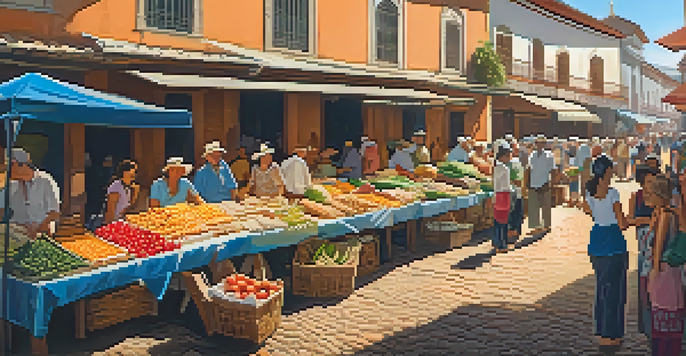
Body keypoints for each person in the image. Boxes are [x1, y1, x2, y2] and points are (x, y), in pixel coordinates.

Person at [579, 154, 628, 354]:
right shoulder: (613, 193)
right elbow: (622, 223)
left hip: (597, 243)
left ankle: (603, 331)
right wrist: (641, 221)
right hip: (614, 245)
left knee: (602, 289)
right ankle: (611, 334)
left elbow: (589, 212)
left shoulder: (589, 193)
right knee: (615, 293)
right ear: (606, 171)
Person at [646, 174, 683, 355]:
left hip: (663, 271)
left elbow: (659, 243)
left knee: (662, 315)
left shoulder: (666, 215)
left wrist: (654, 269)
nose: (647, 195)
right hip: (668, 271)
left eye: (651, 192)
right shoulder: (665, 212)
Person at [0, 148, 60, 240]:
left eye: (11, 165)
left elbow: (54, 213)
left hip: (40, 232)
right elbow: (1, 209)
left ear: (22, 165)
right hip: (17, 231)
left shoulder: (46, 181)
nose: (7, 170)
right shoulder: (11, 184)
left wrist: (38, 227)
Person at [627, 165, 657, 338]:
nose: (651, 185)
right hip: (643, 246)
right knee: (644, 289)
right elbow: (630, 220)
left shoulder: (660, 199)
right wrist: (648, 219)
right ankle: (646, 326)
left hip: (657, 246)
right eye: (649, 181)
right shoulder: (635, 197)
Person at [527, 135, 556, 234]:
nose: (540, 145)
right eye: (538, 143)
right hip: (533, 182)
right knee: (533, 206)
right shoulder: (532, 155)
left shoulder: (549, 155)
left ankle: (547, 225)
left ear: (544, 144)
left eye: (542, 143)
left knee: (546, 205)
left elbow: (553, 169)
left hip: (544, 182)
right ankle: (536, 226)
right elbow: (529, 169)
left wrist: (552, 182)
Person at [104, 160, 140, 224]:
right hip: (115, 222)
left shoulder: (129, 187)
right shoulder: (116, 186)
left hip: (123, 221)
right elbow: (110, 209)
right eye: (134, 171)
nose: (135, 174)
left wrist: (135, 193)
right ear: (125, 172)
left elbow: (130, 207)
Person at [493, 143, 512, 253]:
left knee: (500, 220)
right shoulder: (501, 167)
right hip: (502, 194)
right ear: (503, 156)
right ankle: (501, 244)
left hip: (501, 194)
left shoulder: (499, 166)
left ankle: (499, 243)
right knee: (502, 221)